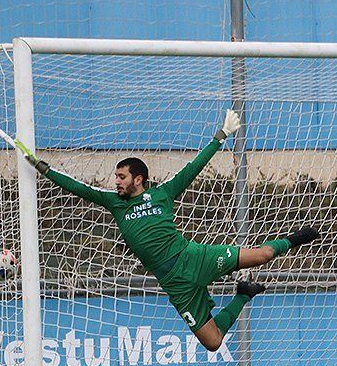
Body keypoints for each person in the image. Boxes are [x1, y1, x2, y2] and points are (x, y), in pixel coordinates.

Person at [17, 110, 320, 352]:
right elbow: (76, 187)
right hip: (174, 283)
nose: (116, 181)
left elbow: (193, 167)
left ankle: (296, 238)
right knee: (213, 342)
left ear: (139, 178)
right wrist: (41, 167)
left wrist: (221, 135)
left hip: (194, 257)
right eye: (116, 176)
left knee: (265, 254)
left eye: (121, 176)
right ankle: (243, 294)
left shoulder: (162, 193)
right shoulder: (113, 203)